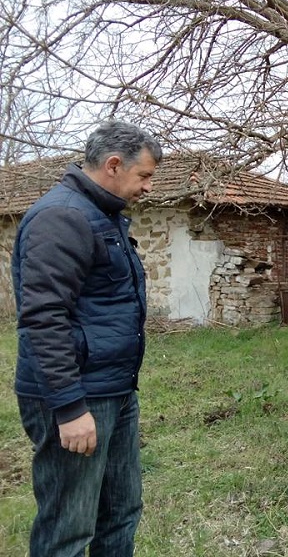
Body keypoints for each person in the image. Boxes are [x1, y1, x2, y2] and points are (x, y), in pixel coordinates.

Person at [13, 121, 162, 557]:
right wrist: (70, 407)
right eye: (145, 176)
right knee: (69, 527)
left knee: (121, 511)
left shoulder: (104, 216)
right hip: (77, 397)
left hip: (114, 388)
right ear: (114, 165)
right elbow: (43, 317)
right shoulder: (62, 217)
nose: (149, 187)